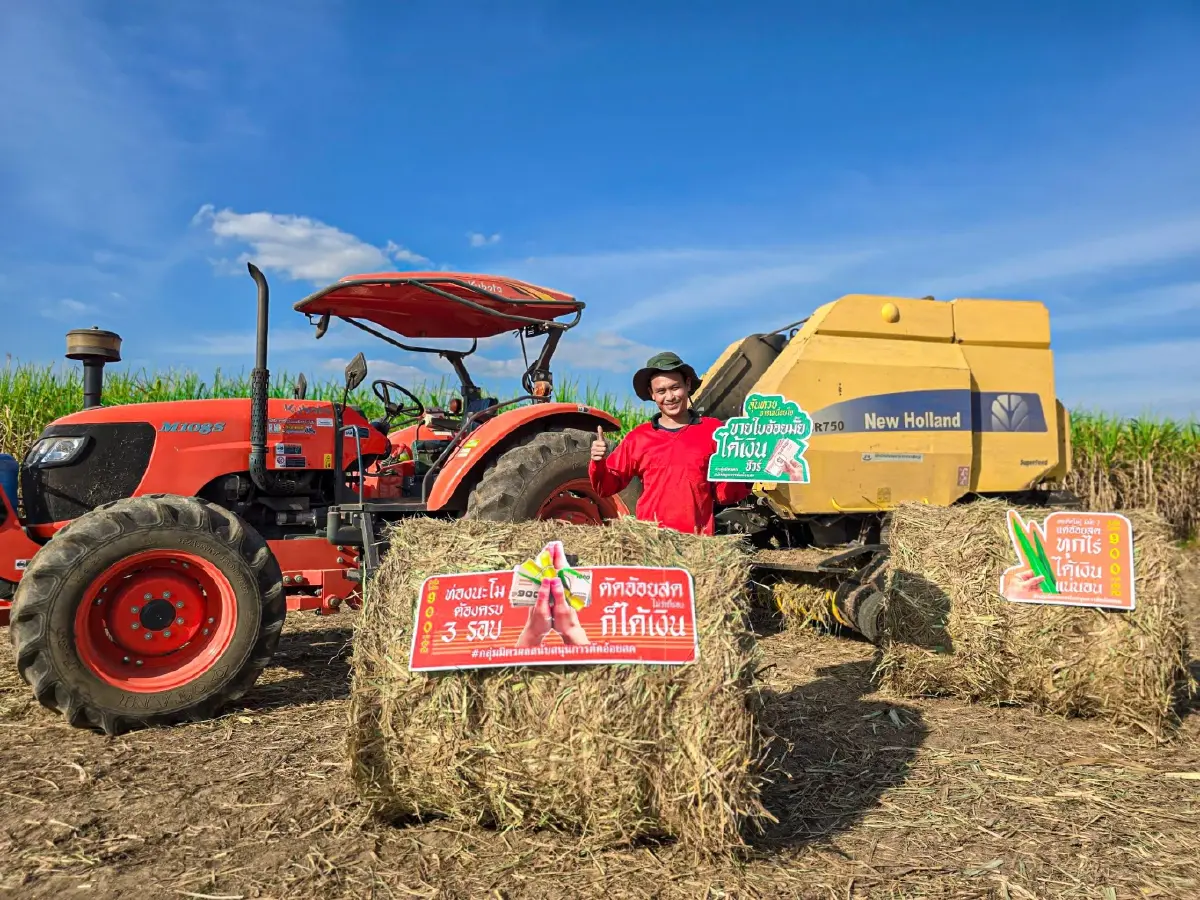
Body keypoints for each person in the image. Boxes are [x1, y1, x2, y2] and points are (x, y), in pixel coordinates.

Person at [589, 351, 752, 536]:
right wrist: (598, 462)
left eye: (675, 387)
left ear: (687, 384)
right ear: (652, 394)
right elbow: (606, 487)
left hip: (697, 541)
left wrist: (749, 470)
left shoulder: (714, 432)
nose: (670, 397)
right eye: (661, 391)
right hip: (651, 540)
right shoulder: (639, 438)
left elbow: (724, 494)